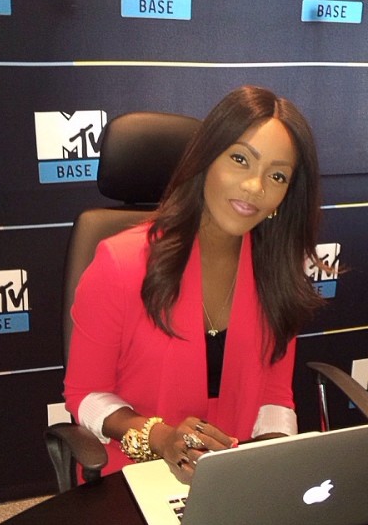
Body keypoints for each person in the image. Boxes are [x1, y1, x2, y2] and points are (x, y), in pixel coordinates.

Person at [64, 85, 325, 479]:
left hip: (234, 475)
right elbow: (85, 395)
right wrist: (160, 438)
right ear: (206, 159)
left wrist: (271, 461)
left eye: (277, 175)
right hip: (138, 475)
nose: (255, 187)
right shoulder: (120, 262)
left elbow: (274, 396)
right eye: (240, 159)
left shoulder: (277, 270)